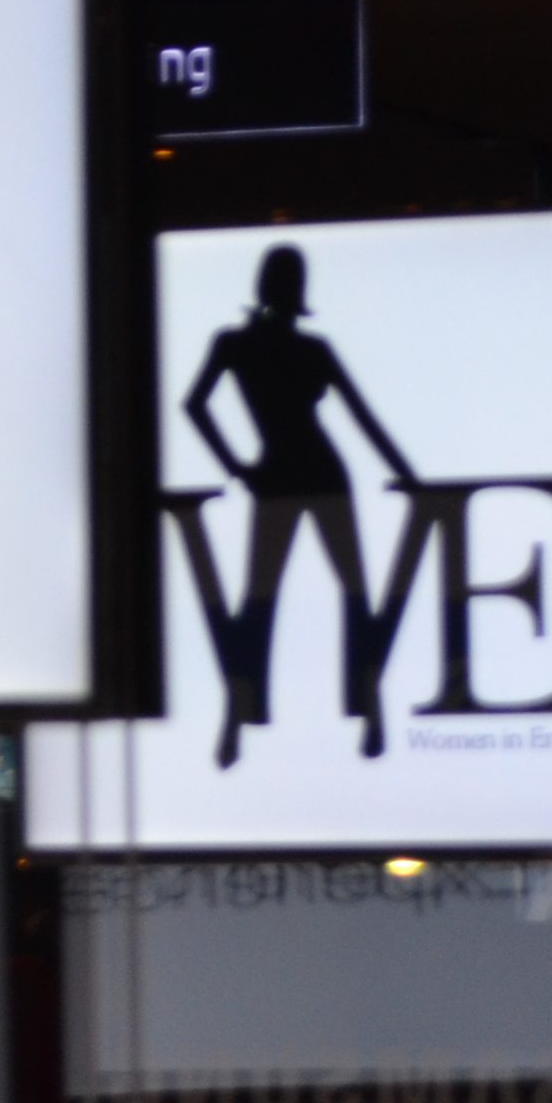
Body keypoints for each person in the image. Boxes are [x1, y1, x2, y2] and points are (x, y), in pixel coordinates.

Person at [181, 243, 418, 766]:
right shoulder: (264, 346)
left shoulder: (256, 346)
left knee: (287, 595)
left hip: (296, 477)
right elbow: (194, 405)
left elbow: (362, 417)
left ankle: (355, 705)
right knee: (308, 593)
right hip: (300, 477)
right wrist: (238, 468)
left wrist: (239, 468)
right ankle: (245, 710)